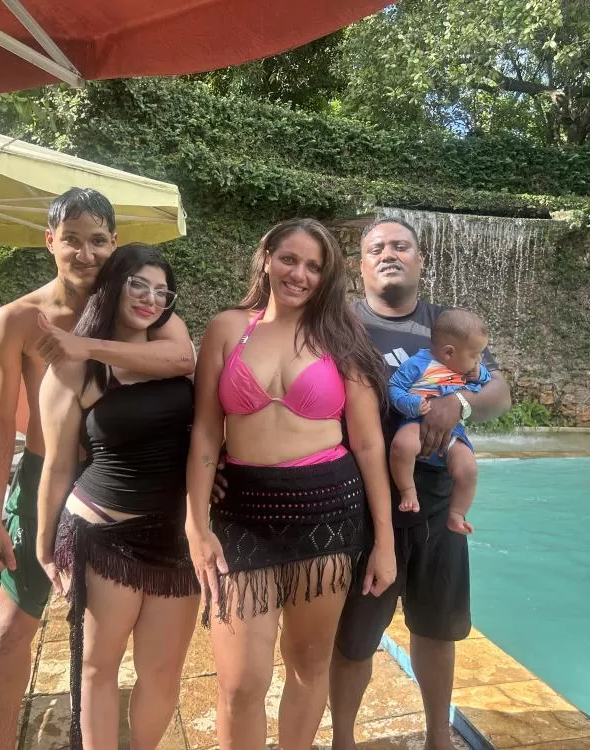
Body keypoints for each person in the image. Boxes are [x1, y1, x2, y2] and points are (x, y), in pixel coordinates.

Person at [0, 188, 195, 750]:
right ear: (49, 241)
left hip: (128, 480)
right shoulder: (17, 320)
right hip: (47, 474)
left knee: (124, 651)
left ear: (114, 244)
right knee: (13, 630)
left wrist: (85, 346)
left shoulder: (140, 300)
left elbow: (182, 360)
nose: (86, 252)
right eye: (71, 239)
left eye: (98, 240)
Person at [185, 218, 397, 750]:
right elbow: (206, 433)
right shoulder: (227, 329)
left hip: (326, 512)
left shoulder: (341, 337)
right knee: (239, 683)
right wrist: (195, 524)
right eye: (289, 259)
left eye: (313, 266)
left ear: (326, 276)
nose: (299, 274)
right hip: (242, 514)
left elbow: (369, 444)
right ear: (266, 258)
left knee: (307, 665)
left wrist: (385, 541)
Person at [330, 217, 512, 750]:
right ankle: (342, 740)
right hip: (359, 503)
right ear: (360, 264)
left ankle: (438, 738)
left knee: (437, 628)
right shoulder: (339, 324)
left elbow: (499, 392)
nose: (389, 254)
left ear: (421, 259)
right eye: (377, 248)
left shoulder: (447, 326)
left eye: (401, 246)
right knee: (354, 636)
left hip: (434, 502)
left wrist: (461, 404)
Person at [36, 244, 200, 750]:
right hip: (104, 532)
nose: (151, 298)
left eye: (162, 291)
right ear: (113, 285)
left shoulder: (175, 352)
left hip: (176, 536)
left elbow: (201, 407)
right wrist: (45, 544)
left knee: (163, 672)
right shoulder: (73, 369)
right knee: (98, 666)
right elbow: (58, 464)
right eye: (138, 285)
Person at [388, 308, 491, 535]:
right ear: (449, 352)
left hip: (453, 431)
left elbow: (487, 379)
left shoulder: (467, 368)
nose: (478, 360)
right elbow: (394, 388)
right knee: (402, 445)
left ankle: (456, 514)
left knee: (468, 468)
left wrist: (480, 374)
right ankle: (408, 491)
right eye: (475, 355)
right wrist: (412, 403)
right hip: (417, 421)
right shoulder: (417, 365)